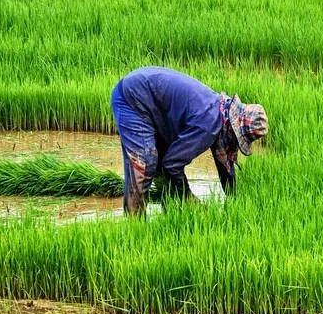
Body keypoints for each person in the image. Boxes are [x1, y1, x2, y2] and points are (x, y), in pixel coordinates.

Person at [110, 66, 268, 215]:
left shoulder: (220, 112)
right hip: (132, 99)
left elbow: (224, 161)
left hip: (153, 104)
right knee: (144, 164)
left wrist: (235, 201)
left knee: (161, 164)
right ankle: (135, 226)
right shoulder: (208, 124)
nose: (233, 143)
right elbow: (172, 164)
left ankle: (171, 212)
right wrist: (187, 196)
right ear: (233, 129)